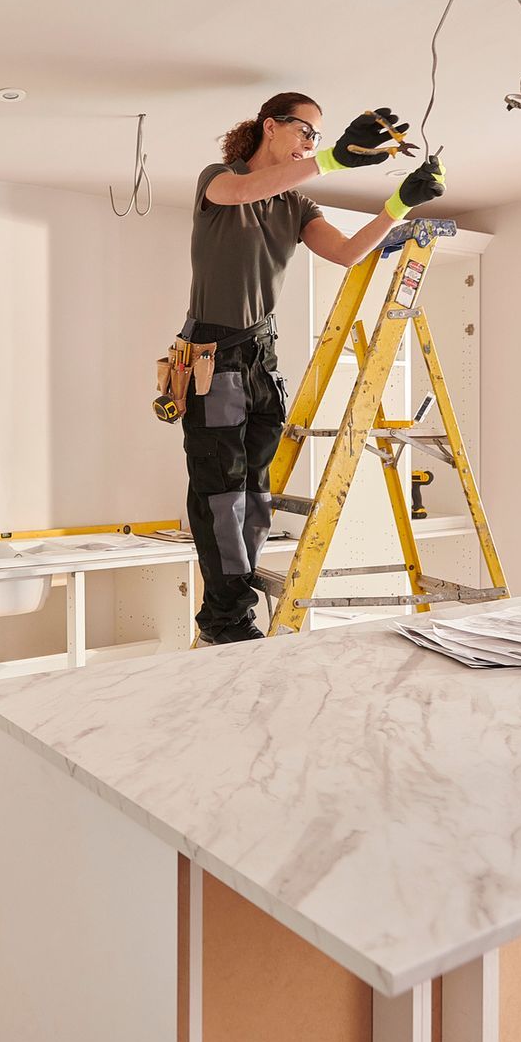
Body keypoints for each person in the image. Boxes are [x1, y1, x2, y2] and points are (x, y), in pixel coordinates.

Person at [184, 92, 445, 644]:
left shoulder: (297, 205)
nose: (310, 142)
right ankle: (225, 620)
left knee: (256, 493)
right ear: (270, 126)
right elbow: (243, 191)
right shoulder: (220, 179)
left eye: (317, 138)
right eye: (305, 130)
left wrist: (399, 204)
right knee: (220, 491)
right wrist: (332, 160)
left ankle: (229, 609)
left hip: (261, 356)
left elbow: (348, 253)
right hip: (215, 355)